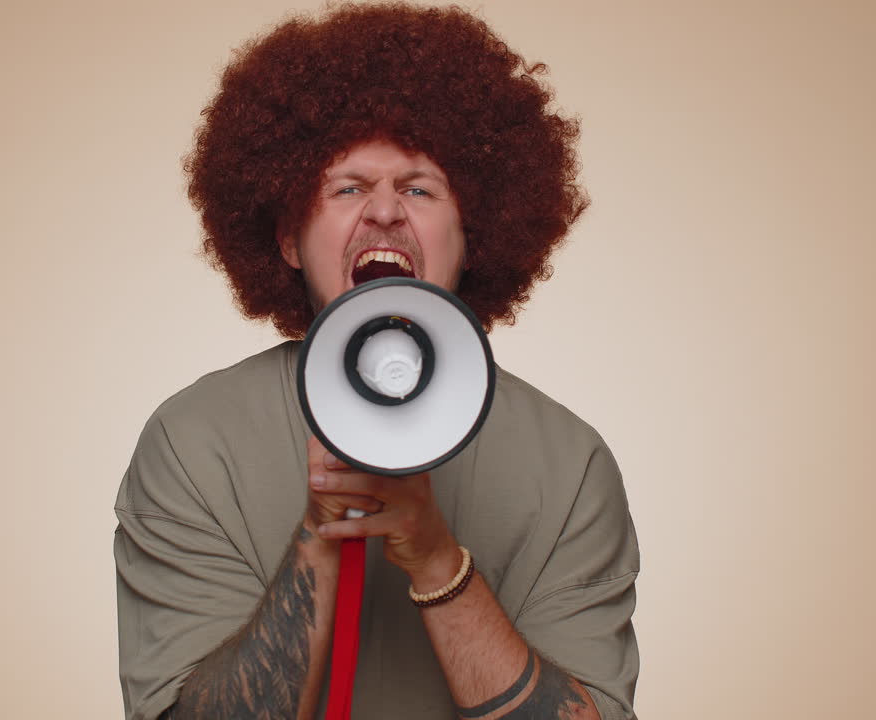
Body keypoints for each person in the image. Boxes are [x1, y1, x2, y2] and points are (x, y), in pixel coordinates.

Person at [114, 4, 639, 719]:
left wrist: (434, 557)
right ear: (289, 239)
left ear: (473, 234)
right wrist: (323, 531)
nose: (386, 212)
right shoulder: (194, 443)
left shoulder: (570, 466)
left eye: (419, 188)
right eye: (348, 187)